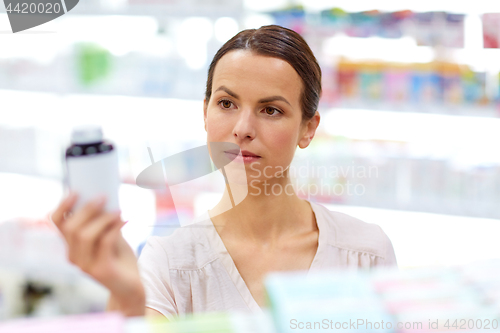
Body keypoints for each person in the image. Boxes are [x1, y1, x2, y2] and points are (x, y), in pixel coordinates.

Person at [51, 25, 397, 319]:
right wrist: (126, 299)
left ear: (308, 128)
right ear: (205, 113)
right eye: (226, 104)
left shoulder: (365, 253)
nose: (242, 129)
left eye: (271, 110)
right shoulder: (169, 263)